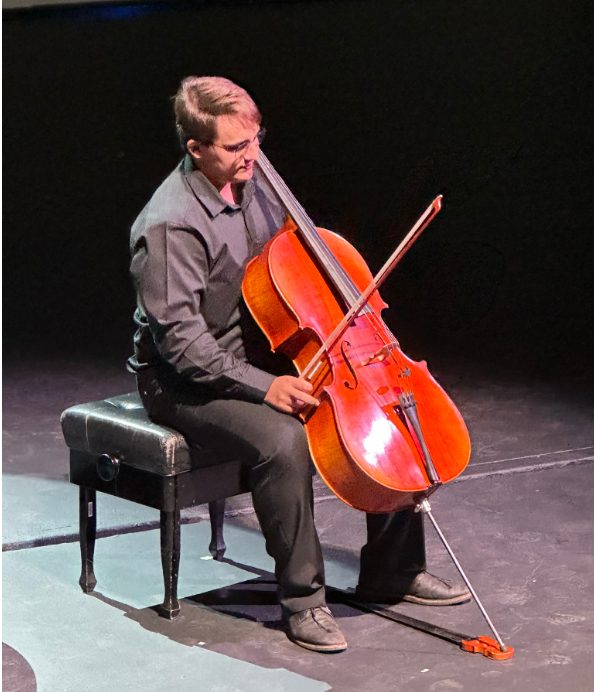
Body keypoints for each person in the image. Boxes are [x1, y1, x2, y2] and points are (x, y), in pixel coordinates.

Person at [128, 75, 470, 653]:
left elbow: (292, 262)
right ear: (196, 148)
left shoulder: (256, 179)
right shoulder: (169, 224)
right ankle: (303, 599)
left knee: (382, 409)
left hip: (256, 349)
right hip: (183, 380)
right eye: (236, 147)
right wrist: (266, 388)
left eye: (256, 139)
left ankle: (394, 569)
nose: (253, 156)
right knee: (284, 439)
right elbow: (182, 346)